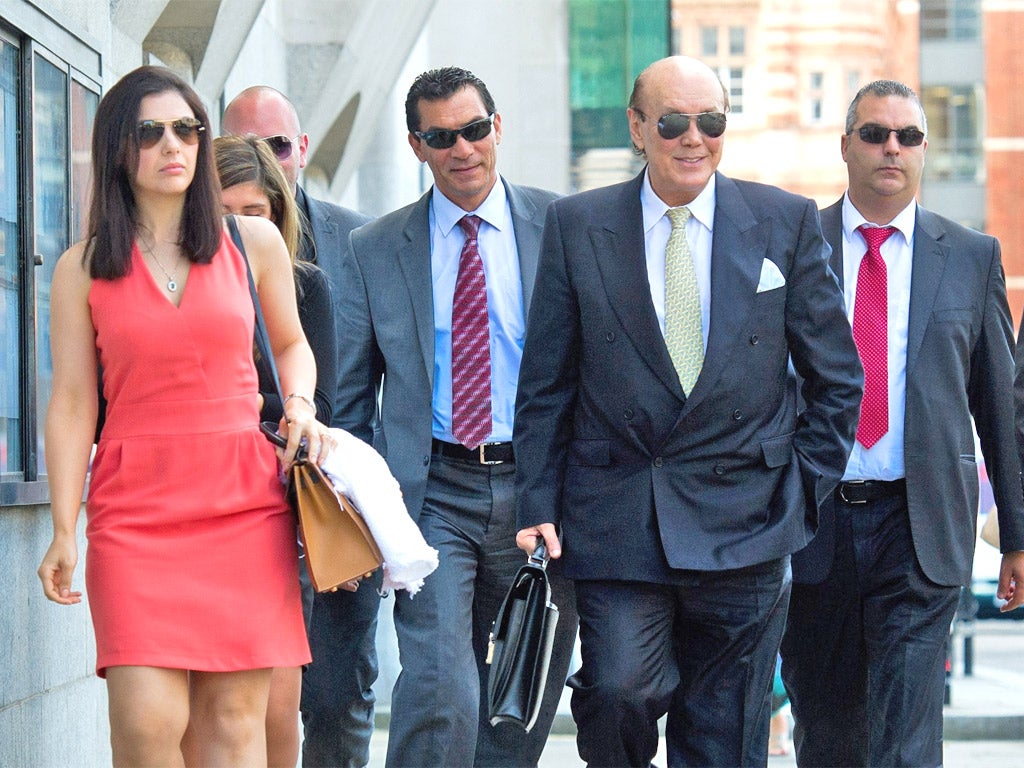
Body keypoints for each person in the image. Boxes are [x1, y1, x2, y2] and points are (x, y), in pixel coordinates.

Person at [513, 55, 864, 767]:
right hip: (616, 516)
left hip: (748, 522)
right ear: (639, 128)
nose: (692, 138)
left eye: (710, 121)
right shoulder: (578, 226)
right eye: (673, 121)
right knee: (618, 693)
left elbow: (838, 380)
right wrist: (536, 499)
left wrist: (798, 495)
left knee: (726, 733)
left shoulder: (784, 221)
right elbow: (546, 383)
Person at [36, 65, 333, 766]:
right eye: (151, 132)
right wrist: (60, 526)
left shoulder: (249, 243)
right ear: (117, 148)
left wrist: (298, 405)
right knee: (144, 727)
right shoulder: (81, 269)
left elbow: (292, 344)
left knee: (233, 729)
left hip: (242, 502)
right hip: (134, 509)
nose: (174, 144)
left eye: (187, 128)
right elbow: (74, 402)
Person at [334, 66, 578, 768]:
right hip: (433, 489)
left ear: (497, 128)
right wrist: (355, 517)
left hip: (540, 490)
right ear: (417, 146)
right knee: (441, 687)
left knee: (520, 694)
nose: (462, 149)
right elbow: (352, 402)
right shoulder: (375, 249)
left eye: (474, 130)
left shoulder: (560, 226)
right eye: (442, 137)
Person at [781, 79, 1024, 767]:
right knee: (828, 735)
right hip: (815, 524)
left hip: (921, 526)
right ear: (846, 146)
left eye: (908, 136)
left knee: (908, 741)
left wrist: (1017, 535)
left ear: (923, 150)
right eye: (875, 134)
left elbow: (997, 408)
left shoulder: (972, 258)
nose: (893, 147)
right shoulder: (796, 245)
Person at [222, 86, 376, 768]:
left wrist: (350, 514)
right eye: (246, 147)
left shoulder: (351, 245)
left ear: (302, 148)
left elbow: (381, 379)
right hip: (229, 511)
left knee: (337, 694)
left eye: (278, 145)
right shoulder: (183, 265)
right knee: (245, 700)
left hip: (328, 504)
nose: (267, 158)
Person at [213, 133, 338, 768]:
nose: (238, 229)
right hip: (196, 493)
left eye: (254, 213)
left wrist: (286, 411)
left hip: (273, 498)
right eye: (224, 211)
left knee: (274, 698)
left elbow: (324, 397)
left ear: (278, 216)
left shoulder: (302, 286)